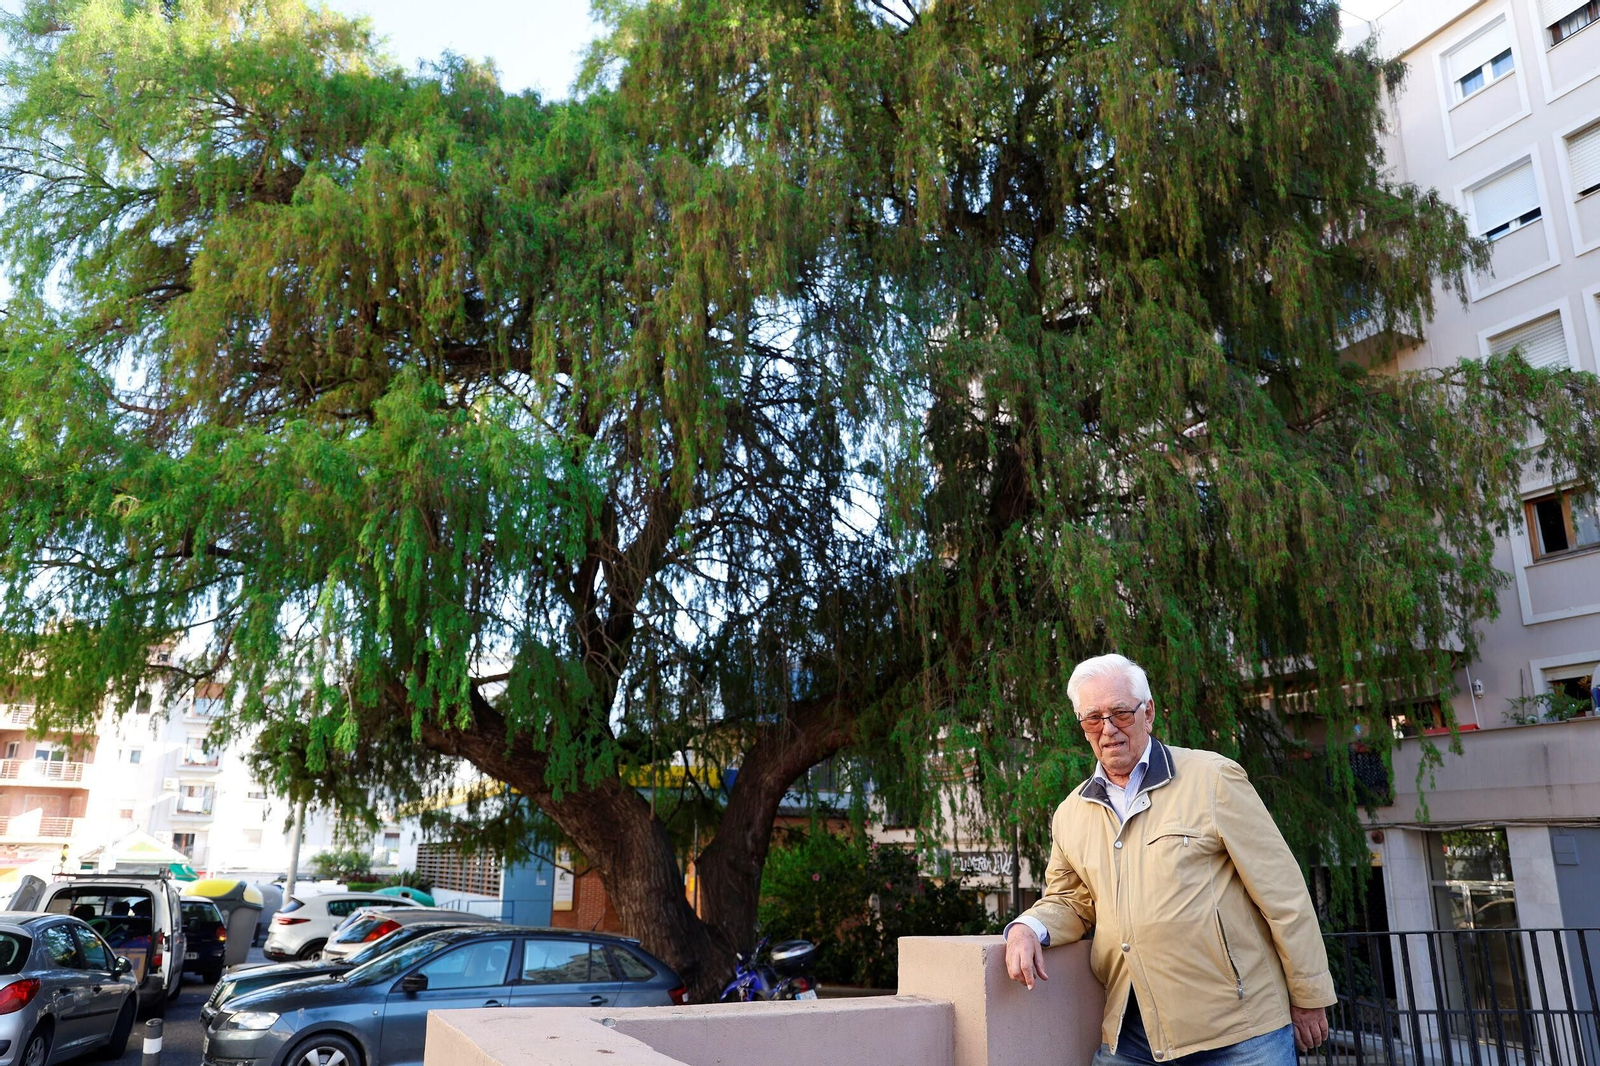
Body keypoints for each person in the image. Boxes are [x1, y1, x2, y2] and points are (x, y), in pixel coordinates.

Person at [1004, 653, 1335, 1066]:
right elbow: (1070, 901)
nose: (1108, 729)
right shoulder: (1071, 813)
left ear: (1149, 713)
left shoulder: (1213, 779)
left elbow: (1282, 892)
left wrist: (1309, 996)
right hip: (1132, 1033)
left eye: (1121, 713)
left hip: (1241, 1033)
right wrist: (1026, 928)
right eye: (1093, 719)